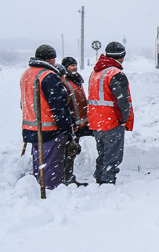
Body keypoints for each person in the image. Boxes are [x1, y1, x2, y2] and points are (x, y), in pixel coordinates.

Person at [20, 44, 77, 190]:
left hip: (31, 126)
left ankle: (38, 187)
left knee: (39, 162)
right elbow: (60, 107)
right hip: (49, 129)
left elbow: (24, 101)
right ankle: (49, 191)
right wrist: (68, 130)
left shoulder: (26, 74)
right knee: (50, 164)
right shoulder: (48, 76)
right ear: (50, 59)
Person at [87, 42, 134, 185]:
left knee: (103, 152)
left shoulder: (95, 73)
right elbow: (122, 101)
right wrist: (124, 120)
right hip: (111, 121)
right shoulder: (116, 74)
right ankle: (107, 181)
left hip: (96, 121)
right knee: (113, 154)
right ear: (121, 57)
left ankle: (100, 176)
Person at [61, 56, 92, 186]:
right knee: (70, 150)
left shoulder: (77, 80)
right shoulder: (65, 82)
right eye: (71, 65)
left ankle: (68, 176)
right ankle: (66, 177)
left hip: (82, 122)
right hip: (73, 123)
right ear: (65, 67)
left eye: (75, 64)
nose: (74, 67)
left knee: (73, 150)